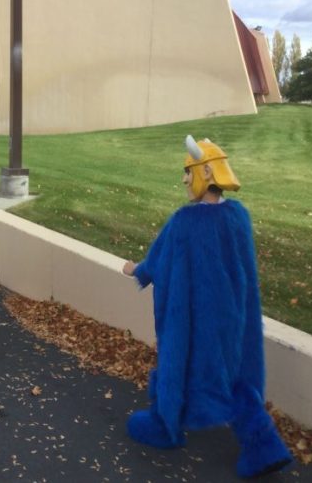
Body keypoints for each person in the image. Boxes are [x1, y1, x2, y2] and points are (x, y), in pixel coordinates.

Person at [122, 136, 292, 479]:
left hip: (194, 316)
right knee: (235, 372)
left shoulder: (184, 222)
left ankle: (165, 425)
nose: (185, 180)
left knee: (177, 361)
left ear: (206, 172)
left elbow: (160, 261)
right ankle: (263, 443)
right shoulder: (238, 217)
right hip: (232, 315)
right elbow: (244, 268)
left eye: (189, 171)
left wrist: (135, 269)